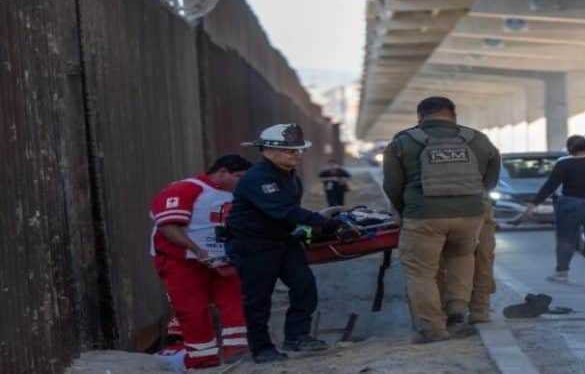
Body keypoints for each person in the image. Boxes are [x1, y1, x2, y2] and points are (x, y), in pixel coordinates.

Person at [225, 124, 359, 363]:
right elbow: (286, 211)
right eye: (290, 151)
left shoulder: (288, 175)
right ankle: (262, 348)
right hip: (254, 247)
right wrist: (328, 225)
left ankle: (297, 336)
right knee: (258, 299)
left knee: (304, 286)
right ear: (268, 150)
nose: (296, 154)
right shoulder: (258, 178)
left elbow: (291, 214)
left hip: (283, 242)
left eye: (298, 150)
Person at [382, 96, 501, 343]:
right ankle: (458, 309)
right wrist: (475, 198)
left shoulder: (403, 141)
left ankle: (432, 328)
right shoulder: (477, 139)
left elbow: (392, 185)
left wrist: (404, 209)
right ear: (453, 115)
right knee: (462, 258)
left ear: (420, 117)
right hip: (470, 215)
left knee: (421, 272)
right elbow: (491, 175)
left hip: (423, 216)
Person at [150, 155, 252, 370]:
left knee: (235, 302)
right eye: (240, 177)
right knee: (193, 310)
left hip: (221, 258)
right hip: (182, 260)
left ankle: (238, 353)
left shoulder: (236, 194)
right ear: (223, 172)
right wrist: (195, 249)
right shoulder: (187, 189)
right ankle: (203, 360)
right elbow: (168, 226)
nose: (243, 182)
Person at [525, 135, 585, 283]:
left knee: (566, 239)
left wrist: (533, 204)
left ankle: (562, 273)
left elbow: (550, 186)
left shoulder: (564, 164)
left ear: (569, 149)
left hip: (571, 205)